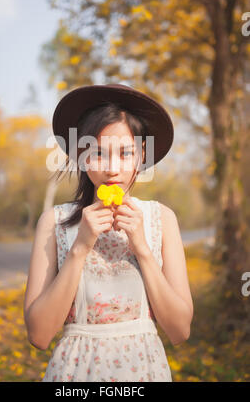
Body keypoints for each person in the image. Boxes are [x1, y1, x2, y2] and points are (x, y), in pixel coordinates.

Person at [23, 83, 194, 382]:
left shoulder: (161, 219)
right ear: (82, 155)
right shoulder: (54, 222)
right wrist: (80, 248)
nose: (113, 169)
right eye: (99, 153)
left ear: (141, 155)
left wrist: (142, 248)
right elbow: (39, 335)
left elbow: (180, 330)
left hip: (144, 373)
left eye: (126, 153)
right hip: (73, 375)